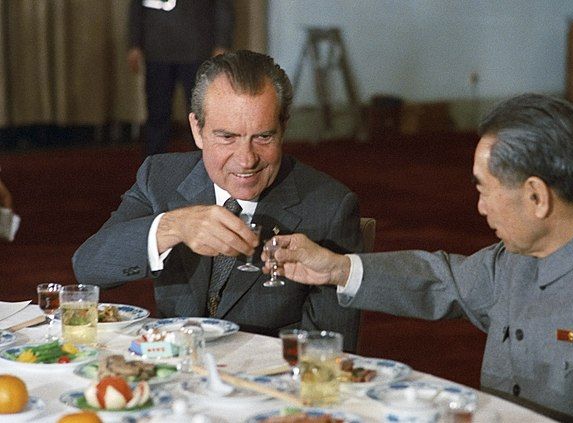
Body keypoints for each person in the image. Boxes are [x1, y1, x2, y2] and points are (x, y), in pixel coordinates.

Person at [263, 94, 573, 421]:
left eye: (485, 190)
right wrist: (338, 268)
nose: (479, 208)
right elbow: (443, 279)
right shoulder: (515, 258)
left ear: (536, 197)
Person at [72, 50, 363, 351]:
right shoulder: (161, 177)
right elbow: (89, 266)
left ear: (283, 128)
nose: (246, 159)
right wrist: (172, 227)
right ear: (197, 130)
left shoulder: (330, 207)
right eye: (227, 137)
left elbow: (330, 354)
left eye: (263, 137)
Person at [128, 0, 235, 156]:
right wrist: (134, 44)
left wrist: (222, 43)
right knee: (157, 115)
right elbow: (136, 7)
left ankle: (203, 167)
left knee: (201, 115)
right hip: (157, 50)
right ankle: (155, 166)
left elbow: (223, 6)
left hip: (197, 50)